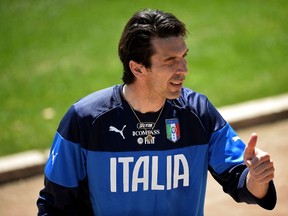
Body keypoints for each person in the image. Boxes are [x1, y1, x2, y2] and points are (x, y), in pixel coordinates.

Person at [37, 9, 277, 216]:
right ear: (138, 68)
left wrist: (257, 177)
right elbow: (55, 205)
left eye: (184, 57)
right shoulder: (85, 119)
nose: (183, 69)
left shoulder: (198, 113)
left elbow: (241, 181)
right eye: (170, 61)